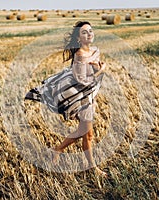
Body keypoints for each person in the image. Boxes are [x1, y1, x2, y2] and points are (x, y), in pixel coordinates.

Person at [25, 21, 107, 176]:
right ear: (78, 38)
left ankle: (58, 149)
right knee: (87, 133)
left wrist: (97, 66)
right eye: (84, 32)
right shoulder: (79, 56)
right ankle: (92, 167)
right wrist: (101, 70)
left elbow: (93, 67)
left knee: (85, 131)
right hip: (78, 97)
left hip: (88, 95)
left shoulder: (95, 50)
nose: (89, 34)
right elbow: (83, 80)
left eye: (90, 30)